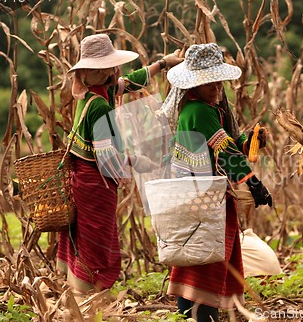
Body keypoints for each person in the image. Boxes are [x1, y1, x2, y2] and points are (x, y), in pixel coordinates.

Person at [57, 33, 183, 295]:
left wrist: (163, 63)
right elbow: (106, 158)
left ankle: (80, 290)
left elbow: (130, 81)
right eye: (101, 69)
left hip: (82, 179)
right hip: (93, 183)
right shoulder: (100, 106)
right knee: (96, 240)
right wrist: (139, 162)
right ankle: (87, 295)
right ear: (88, 74)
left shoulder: (94, 93)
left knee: (83, 237)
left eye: (108, 67)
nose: (110, 72)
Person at [161, 43, 273, 321]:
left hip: (192, 192)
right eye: (208, 82)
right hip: (203, 195)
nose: (216, 87)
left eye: (218, 81)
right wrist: (254, 183)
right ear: (193, 86)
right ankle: (203, 315)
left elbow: (227, 143)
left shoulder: (202, 109)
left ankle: (188, 313)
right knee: (209, 255)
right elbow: (225, 151)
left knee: (195, 253)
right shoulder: (201, 111)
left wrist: (250, 141)